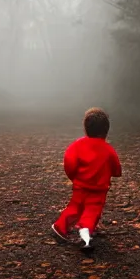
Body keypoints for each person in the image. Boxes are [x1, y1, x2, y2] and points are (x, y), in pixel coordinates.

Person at [51, 107, 121, 252]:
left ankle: (59, 227)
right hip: (98, 191)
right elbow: (116, 169)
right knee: (92, 212)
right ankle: (85, 236)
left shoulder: (77, 145)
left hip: (80, 187)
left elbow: (69, 163)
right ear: (106, 131)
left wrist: (74, 177)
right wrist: (113, 173)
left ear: (85, 128)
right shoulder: (108, 150)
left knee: (74, 208)